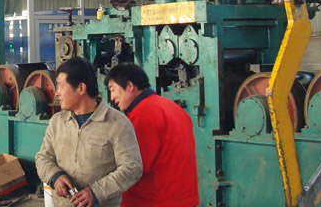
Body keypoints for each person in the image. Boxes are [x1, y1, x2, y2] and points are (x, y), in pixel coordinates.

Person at [36, 58, 143, 207]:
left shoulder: (117, 124)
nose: (57, 93)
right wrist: (55, 176)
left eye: (61, 86)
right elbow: (43, 158)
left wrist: (96, 192)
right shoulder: (57, 122)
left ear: (81, 88)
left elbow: (132, 167)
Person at [105, 63, 199, 207]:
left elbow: (135, 165)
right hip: (182, 199)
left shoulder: (143, 113)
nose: (112, 97)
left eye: (113, 90)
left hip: (153, 200)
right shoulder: (173, 108)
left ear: (129, 86)